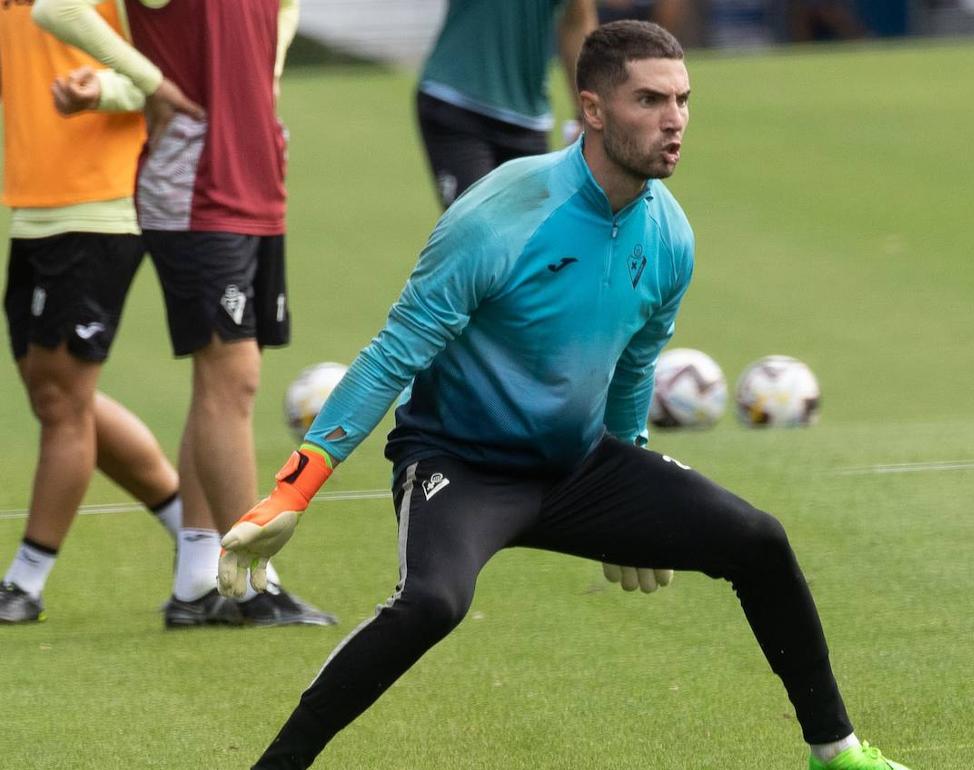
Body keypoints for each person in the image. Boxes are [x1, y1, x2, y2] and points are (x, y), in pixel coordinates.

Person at [219, 20, 913, 770]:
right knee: (433, 604)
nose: (673, 120)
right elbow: (393, 356)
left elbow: (634, 365)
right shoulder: (500, 214)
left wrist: (635, 496)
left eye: (682, 100)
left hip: (581, 467)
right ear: (592, 109)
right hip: (462, 464)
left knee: (759, 541)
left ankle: (835, 754)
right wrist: (292, 492)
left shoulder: (670, 235)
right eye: (649, 100)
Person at [32, 0, 334, 628]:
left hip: (254, 179)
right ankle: (252, 584)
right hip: (195, 189)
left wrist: (266, 73)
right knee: (234, 375)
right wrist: (150, 83)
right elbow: (56, 8)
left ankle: (199, 581)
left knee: (219, 377)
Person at [0, 0, 184, 624]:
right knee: (56, 396)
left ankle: (24, 582)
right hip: (32, 205)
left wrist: (100, 87)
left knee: (61, 402)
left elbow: (171, 70)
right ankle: (195, 530)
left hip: (101, 205)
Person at [416, 0, 597, 208]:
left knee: (531, 235)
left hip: (528, 121)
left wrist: (587, 113)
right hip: (456, 104)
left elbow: (577, 20)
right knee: (475, 230)